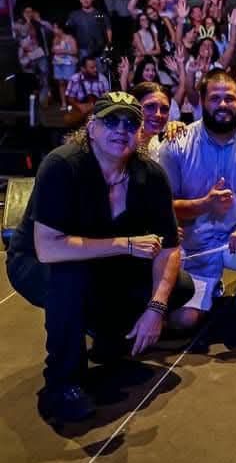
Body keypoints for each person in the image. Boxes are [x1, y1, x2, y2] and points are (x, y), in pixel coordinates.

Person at [4, 92, 190, 423]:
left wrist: (156, 308)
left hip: (98, 259)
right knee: (70, 279)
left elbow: (169, 246)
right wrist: (125, 244)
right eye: (111, 121)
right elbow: (50, 248)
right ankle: (62, 382)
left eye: (131, 122)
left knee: (179, 286)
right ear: (91, 128)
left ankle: (107, 334)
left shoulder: (150, 175)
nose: (122, 129)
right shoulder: (62, 166)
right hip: (37, 261)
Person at [160, 71, 236, 329]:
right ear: (202, 101)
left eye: (229, 98)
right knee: (182, 322)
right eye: (215, 99)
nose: (223, 105)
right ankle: (209, 286)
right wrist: (204, 205)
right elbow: (163, 207)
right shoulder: (176, 143)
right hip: (194, 249)